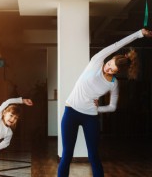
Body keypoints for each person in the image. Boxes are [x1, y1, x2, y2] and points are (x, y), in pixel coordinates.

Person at [58, 28, 152, 177]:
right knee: (67, 155)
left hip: (90, 117)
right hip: (71, 112)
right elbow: (117, 44)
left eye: (112, 70)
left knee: (93, 156)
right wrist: (139, 34)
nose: (107, 68)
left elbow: (113, 107)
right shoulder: (96, 61)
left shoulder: (113, 84)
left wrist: (98, 108)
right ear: (110, 59)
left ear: (116, 73)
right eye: (109, 64)